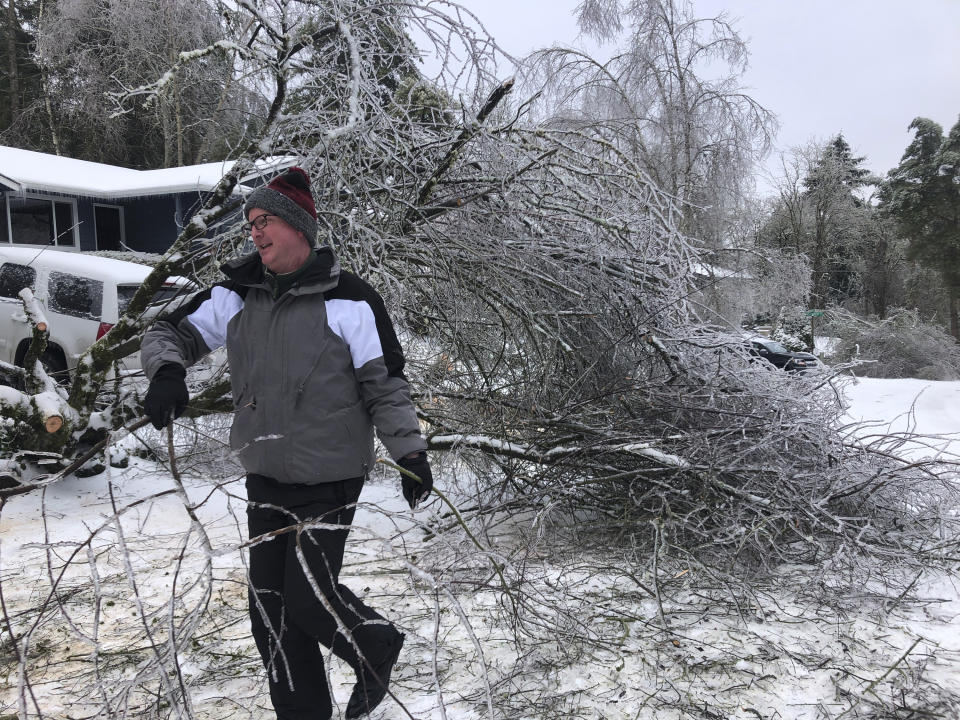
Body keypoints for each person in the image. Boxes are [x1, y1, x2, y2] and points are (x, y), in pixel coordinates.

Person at [140, 166, 433, 720]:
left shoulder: (351, 300)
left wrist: (410, 454)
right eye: (251, 222)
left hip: (330, 477)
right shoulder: (237, 295)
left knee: (309, 599)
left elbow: (385, 384)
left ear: (300, 226)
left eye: (266, 219)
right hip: (267, 475)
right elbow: (166, 332)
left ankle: (375, 643)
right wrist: (167, 373)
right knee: (270, 613)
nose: (254, 231)